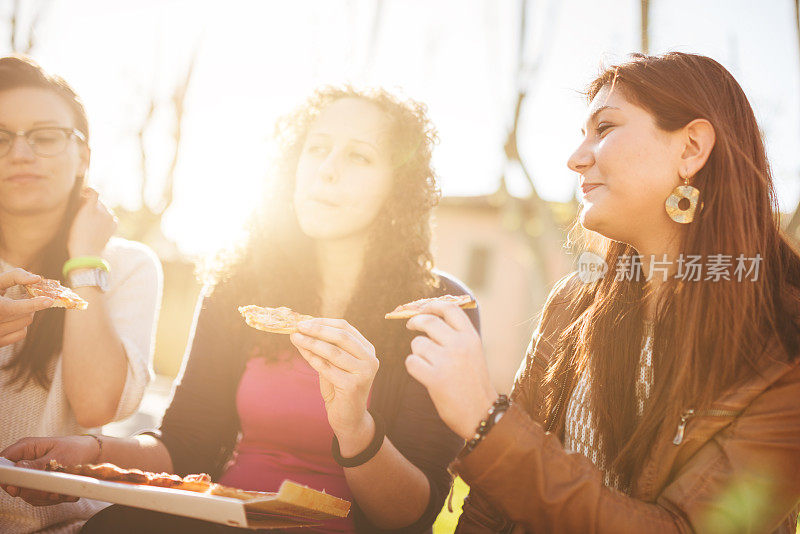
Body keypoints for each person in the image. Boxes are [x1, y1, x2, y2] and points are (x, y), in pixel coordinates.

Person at [3, 86, 478, 533]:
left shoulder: (434, 310)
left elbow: (413, 513)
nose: (326, 169)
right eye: (316, 148)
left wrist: (355, 427)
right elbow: (185, 446)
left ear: (400, 186)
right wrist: (85, 453)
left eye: (359, 156)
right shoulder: (239, 289)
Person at [404, 52, 800, 533]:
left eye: (605, 128)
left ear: (692, 148)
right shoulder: (575, 302)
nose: (576, 158)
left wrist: (487, 421)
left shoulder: (784, 344)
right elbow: (489, 509)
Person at [0, 56, 162, 533]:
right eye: (0, 137)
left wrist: (84, 260)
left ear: (84, 156)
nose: (21, 153)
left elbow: (95, 407)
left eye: (45, 136)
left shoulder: (128, 264)